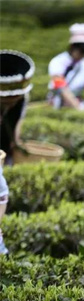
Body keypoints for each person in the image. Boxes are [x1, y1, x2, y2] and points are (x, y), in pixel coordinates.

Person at [0, 49, 35, 254]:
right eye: (5, 102)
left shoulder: (21, 99)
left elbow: (16, 128)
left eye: (13, 101)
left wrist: (17, 144)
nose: (11, 104)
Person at [47, 23, 84, 112]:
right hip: (57, 105)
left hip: (78, 104)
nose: (82, 54)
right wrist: (77, 108)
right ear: (72, 47)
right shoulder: (58, 61)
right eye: (80, 50)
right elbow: (61, 87)